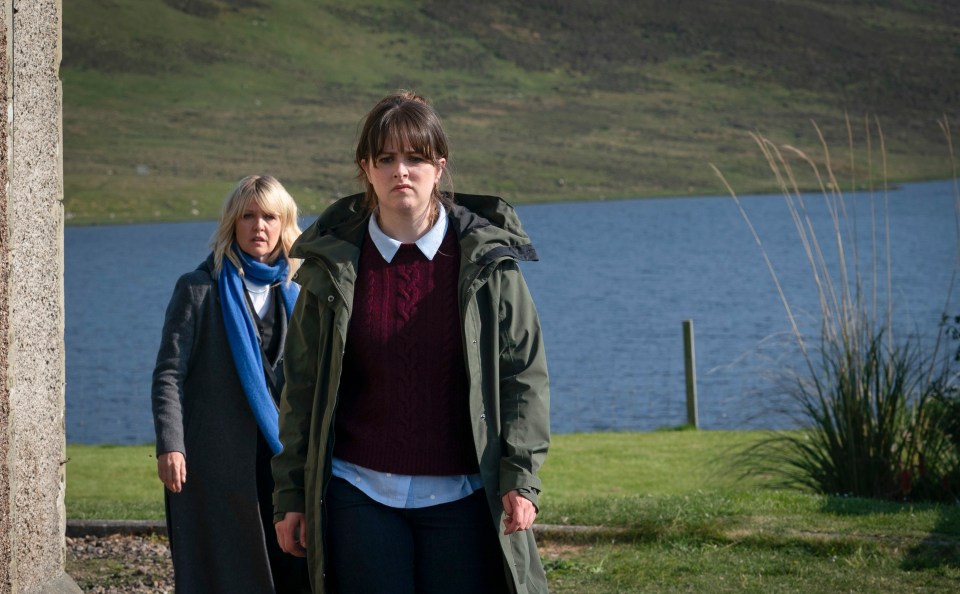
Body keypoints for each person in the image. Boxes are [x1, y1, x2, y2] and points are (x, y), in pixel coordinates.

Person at [272, 91, 551, 594]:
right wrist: (292, 492)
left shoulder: (489, 264)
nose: (402, 170)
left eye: (416, 158)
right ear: (367, 168)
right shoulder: (329, 268)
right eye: (386, 158)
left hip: (464, 494)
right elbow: (301, 389)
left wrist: (521, 477)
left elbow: (523, 377)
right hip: (357, 492)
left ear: (438, 168)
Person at [151, 174, 310, 593]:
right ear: (232, 224)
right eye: (248, 216)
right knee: (229, 575)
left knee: (297, 568)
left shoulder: (302, 291)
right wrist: (171, 443)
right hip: (218, 465)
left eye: (269, 217)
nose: (259, 226)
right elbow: (169, 373)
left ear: (284, 224)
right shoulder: (198, 289)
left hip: (288, 459)